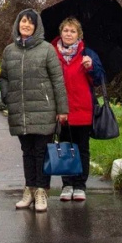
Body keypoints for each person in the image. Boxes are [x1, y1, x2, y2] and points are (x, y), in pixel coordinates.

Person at [0, 8, 69, 213]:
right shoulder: (9, 51)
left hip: (44, 110)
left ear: (36, 27)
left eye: (30, 22)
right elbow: (3, 77)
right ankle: (29, 188)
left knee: (41, 153)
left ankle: (42, 191)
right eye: (23, 22)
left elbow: (57, 81)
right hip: (20, 111)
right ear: (17, 25)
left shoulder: (47, 49)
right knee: (27, 152)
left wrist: (62, 109)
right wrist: (6, 96)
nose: (26, 25)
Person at [52, 17, 104, 202]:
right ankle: (67, 184)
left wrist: (91, 67)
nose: (68, 34)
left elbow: (98, 80)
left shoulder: (87, 53)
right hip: (61, 109)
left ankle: (80, 185)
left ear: (78, 35)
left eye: (72, 31)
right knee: (65, 146)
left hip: (83, 108)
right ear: (61, 32)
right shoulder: (52, 53)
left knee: (82, 148)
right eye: (66, 30)